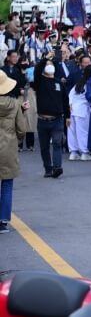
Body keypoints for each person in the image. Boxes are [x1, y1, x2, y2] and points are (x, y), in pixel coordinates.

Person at [32, 55, 68, 179]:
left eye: (51, 64)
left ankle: (57, 167)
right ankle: (48, 168)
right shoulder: (39, 81)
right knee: (44, 147)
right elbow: (37, 70)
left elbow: (65, 101)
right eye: (47, 64)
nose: (49, 66)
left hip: (57, 119)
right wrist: (44, 59)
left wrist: (67, 116)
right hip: (42, 120)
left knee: (58, 143)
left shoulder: (59, 83)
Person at [0, 69, 23, 233]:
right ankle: (3, 221)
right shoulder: (15, 105)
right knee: (7, 184)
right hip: (8, 147)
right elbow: (21, 129)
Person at [67, 65, 91, 161]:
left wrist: (70, 105)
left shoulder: (79, 83)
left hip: (73, 109)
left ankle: (73, 152)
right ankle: (84, 152)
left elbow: (70, 95)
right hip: (83, 110)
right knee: (83, 132)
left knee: (72, 131)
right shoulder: (89, 84)